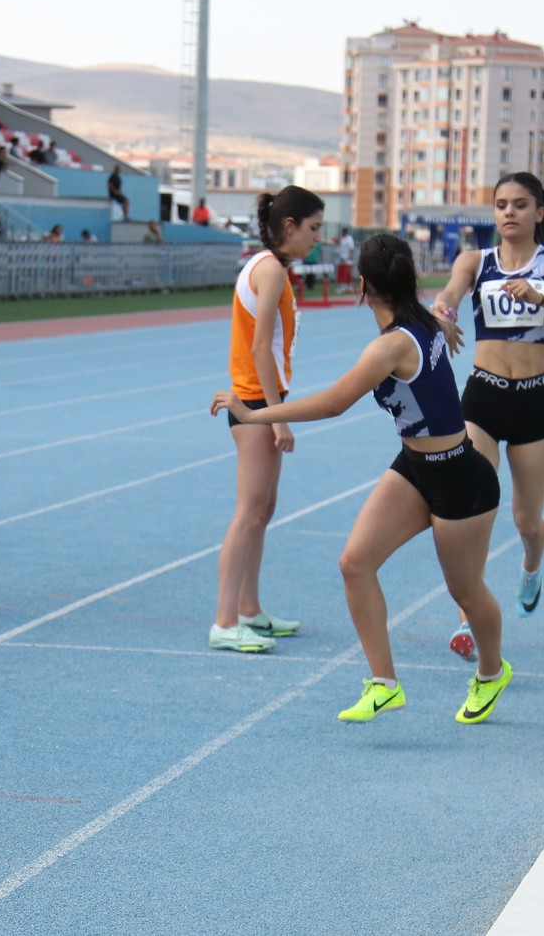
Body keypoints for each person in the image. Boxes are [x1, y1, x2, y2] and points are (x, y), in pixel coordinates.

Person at [214, 232, 512, 721]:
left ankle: (490, 672)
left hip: (460, 475)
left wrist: (254, 415)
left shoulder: (390, 347)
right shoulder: (426, 321)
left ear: (362, 284)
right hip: (416, 468)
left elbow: (334, 402)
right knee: (355, 562)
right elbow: (443, 319)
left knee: (466, 592)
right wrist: (447, 325)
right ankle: (384, 683)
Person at [432, 171, 544, 662]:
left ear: (539, 211)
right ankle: (468, 617)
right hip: (482, 398)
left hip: (533, 400)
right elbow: (448, 296)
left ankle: (533, 561)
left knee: (525, 519)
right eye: (501, 204)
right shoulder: (475, 261)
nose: (508, 213)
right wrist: (442, 315)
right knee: (475, 510)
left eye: (519, 204)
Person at [209, 185, 324, 653]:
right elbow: (260, 349)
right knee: (248, 512)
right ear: (290, 226)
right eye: (313, 229)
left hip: (258, 400)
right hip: (256, 403)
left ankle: (250, 610)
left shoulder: (266, 266)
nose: (318, 238)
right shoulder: (271, 270)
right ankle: (223, 620)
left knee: (262, 511)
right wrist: (277, 418)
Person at [333, 227, 357, 293]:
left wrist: (350, 257)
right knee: (339, 272)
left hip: (347, 258)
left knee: (346, 272)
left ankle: (348, 285)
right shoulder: (342, 238)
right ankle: (340, 285)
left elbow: (351, 248)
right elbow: (340, 246)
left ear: (346, 232)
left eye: (343, 232)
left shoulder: (350, 239)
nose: (342, 234)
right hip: (340, 257)